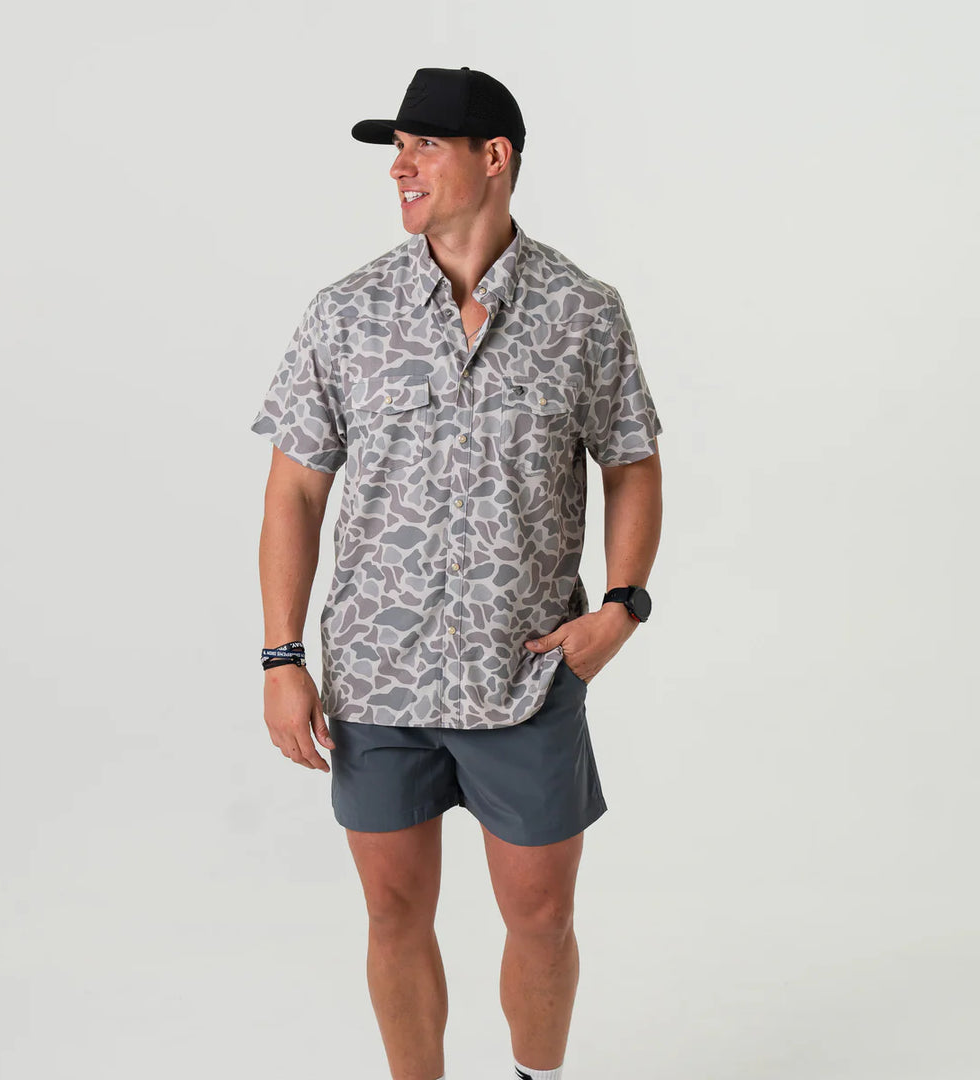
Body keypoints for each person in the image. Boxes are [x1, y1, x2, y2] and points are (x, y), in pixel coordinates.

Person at [251, 66, 663, 1080]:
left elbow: (631, 462)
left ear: (495, 157)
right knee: (393, 912)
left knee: (542, 915)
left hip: (525, 672)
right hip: (378, 679)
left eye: (423, 145)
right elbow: (294, 492)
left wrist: (622, 605)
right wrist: (281, 657)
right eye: (397, 148)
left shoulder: (583, 311)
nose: (401, 167)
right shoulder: (347, 313)